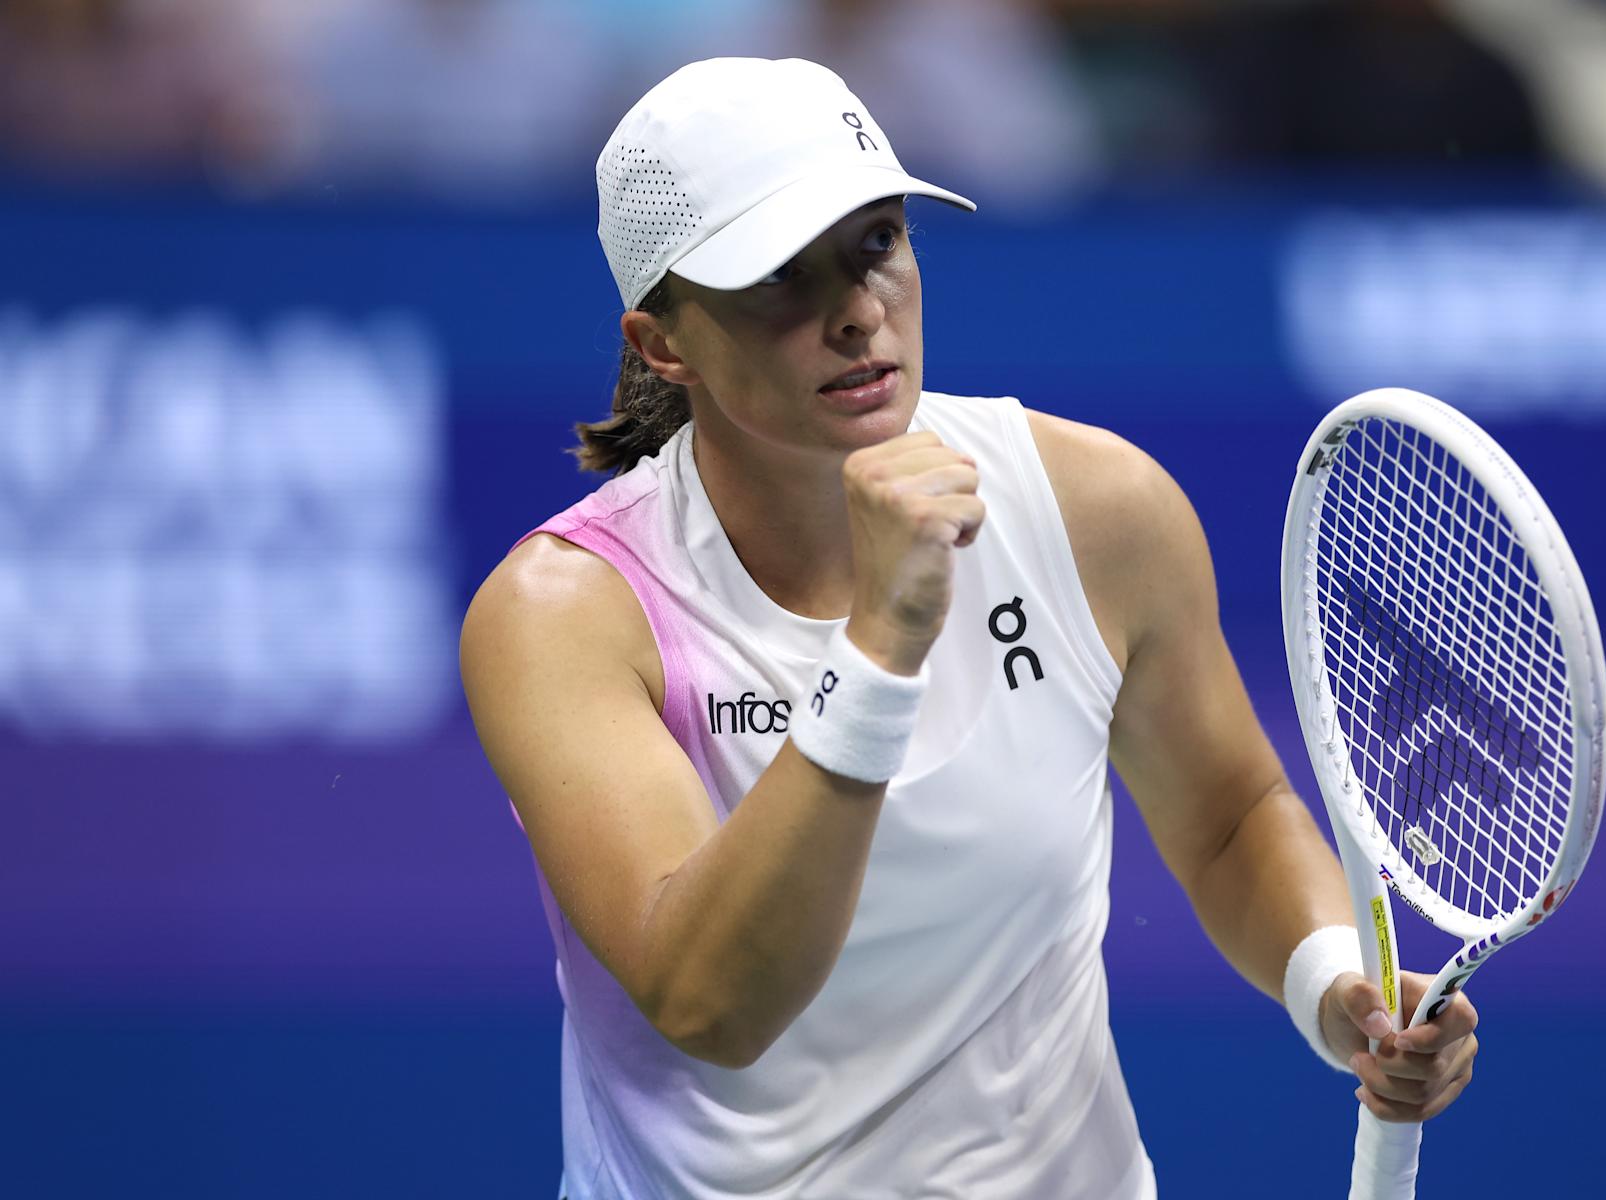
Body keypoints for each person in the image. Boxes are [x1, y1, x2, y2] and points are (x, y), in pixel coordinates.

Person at [459, 56, 1479, 1200]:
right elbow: (711, 1003)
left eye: (877, 245)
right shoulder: (567, 613)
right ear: (664, 344)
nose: (856, 310)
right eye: (781, 278)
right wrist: (881, 647)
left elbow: (1231, 818)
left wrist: (1336, 985)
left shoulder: (1097, 509)